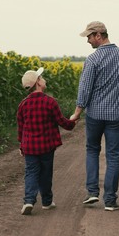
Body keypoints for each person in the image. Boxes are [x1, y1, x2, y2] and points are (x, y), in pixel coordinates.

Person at [71, 21, 119, 211]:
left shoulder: (93, 59)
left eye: (89, 36)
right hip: (115, 116)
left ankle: (93, 193)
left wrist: (77, 112)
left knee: (92, 150)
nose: (87, 41)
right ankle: (110, 200)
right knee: (113, 156)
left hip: (95, 115)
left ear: (98, 35)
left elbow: (85, 89)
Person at [17, 67, 76, 215]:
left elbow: (21, 128)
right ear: (38, 82)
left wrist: (21, 144)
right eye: (41, 77)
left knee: (31, 172)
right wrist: (73, 121)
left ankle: (29, 201)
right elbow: (61, 122)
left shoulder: (23, 105)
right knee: (45, 173)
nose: (43, 79)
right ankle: (47, 201)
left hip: (29, 146)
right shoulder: (50, 102)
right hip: (46, 146)